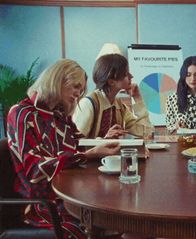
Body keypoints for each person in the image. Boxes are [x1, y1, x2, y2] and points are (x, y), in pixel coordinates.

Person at [7, 59, 121, 238]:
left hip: (71, 194)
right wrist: (86, 155)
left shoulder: (60, 116)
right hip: (44, 204)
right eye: (75, 86)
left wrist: (111, 145)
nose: (78, 94)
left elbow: (80, 144)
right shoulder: (22, 113)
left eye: (81, 90)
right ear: (57, 80)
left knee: (119, 215)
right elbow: (35, 170)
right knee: (103, 223)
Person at [73, 54, 152, 139]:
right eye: (126, 74)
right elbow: (75, 143)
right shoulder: (88, 104)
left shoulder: (119, 106)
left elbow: (145, 132)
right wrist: (103, 141)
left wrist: (138, 98)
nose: (131, 76)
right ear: (111, 82)